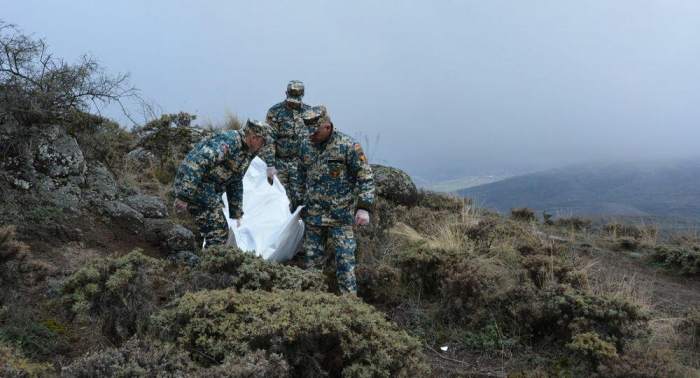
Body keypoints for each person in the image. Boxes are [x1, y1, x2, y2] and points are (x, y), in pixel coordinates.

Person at [299, 105, 374, 294]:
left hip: (340, 218)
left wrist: (364, 207)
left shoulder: (348, 146)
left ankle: (349, 309)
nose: (310, 136)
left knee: (345, 266)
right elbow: (300, 175)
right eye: (307, 131)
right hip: (314, 218)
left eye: (314, 131)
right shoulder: (306, 145)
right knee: (312, 268)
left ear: (327, 127)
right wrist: (297, 203)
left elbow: (365, 177)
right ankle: (312, 307)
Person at [172, 119, 271, 247]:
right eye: (262, 142)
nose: (262, 146)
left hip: (207, 188)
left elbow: (235, 183)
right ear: (253, 138)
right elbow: (198, 162)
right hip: (196, 184)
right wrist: (184, 196)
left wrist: (236, 214)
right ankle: (210, 265)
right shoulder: (229, 141)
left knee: (220, 230)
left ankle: (208, 262)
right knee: (218, 232)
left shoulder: (244, 152)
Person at [259, 80, 312, 209]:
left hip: (300, 164)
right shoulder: (275, 111)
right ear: (285, 93)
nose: (293, 103)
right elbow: (269, 139)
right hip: (280, 163)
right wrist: (270, 164)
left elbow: (313, 139)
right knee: (280, 198)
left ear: (303, 95)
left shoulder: (309, 112)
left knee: (300, 198)